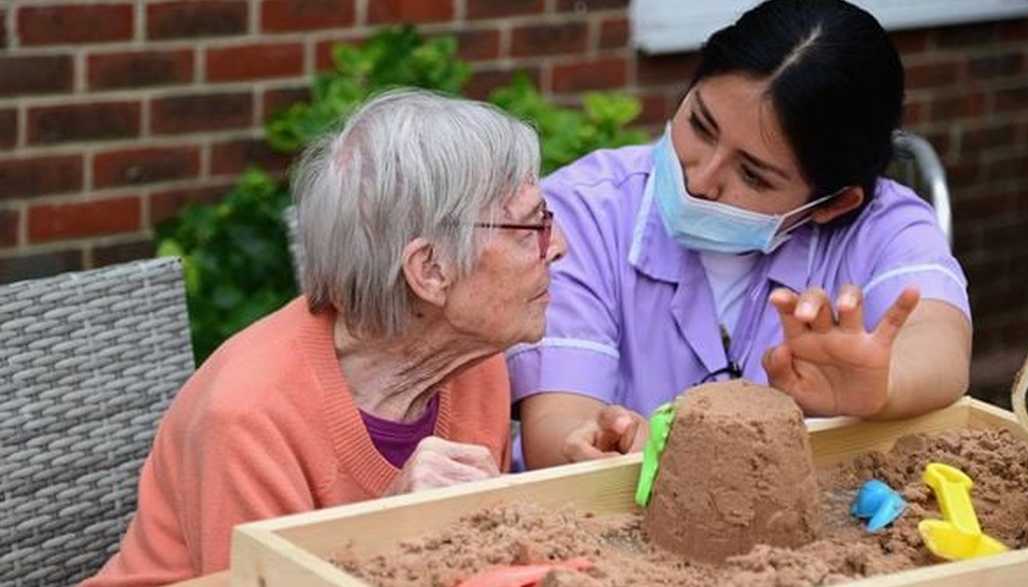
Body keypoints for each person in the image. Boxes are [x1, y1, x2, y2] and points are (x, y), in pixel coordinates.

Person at [84, 89, 566, 585]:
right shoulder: (247, 419)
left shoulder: (471, 359)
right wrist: (388, 529)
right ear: (431, 270)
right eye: (530, 228)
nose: (560, 248)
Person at [509, 0, 971, 470]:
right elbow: (557, 430)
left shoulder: (884, 227)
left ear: (833, 204)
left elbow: (939, 343)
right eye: (700, 126)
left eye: (753, 176)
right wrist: (604, 442)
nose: (703, 179)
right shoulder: (585, 210)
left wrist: (879, 385)